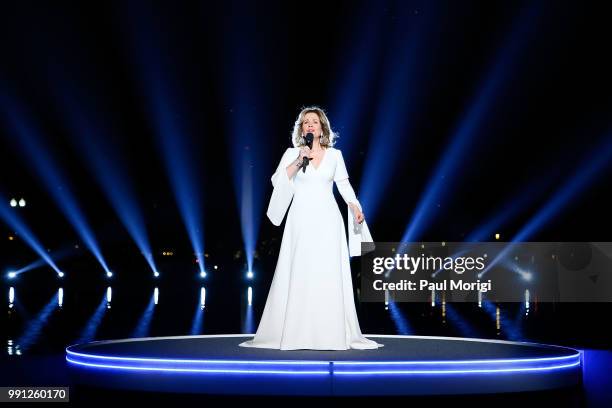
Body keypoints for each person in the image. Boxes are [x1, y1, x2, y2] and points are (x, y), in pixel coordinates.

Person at [239, 106, 383, 350]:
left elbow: (344, 186)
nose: (310, 125)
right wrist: (299, 160)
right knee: (300, 269)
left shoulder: (335, 155)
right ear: (301, 128)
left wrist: (355, 206)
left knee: (327, 271)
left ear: (322, 127)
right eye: (306, 122)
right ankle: (295, 332)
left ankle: (330, 333)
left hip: (328, 219)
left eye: (314, 121)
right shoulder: (293, 153)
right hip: (301, 219)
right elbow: (278, 181)